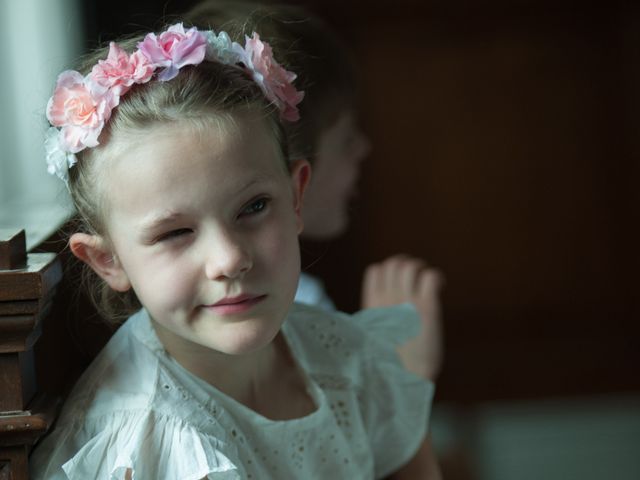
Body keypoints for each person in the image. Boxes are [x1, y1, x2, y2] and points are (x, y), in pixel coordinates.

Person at [29, 23, 441, 478]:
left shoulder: (347, 359)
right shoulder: (146, 446)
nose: (228, 259)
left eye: (254, 207)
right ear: (109, 260)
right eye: (175, 233)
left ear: (296, 197)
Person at [184, 1, 444, 380]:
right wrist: (404, 371)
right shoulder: (285, 312)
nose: (364, 148)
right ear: (295, 173)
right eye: (346, 138)